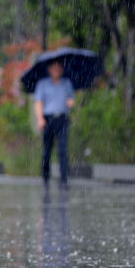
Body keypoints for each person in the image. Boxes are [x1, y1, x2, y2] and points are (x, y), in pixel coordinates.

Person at [34, 60, 75, 189]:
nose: (57, 70)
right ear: (50, 70)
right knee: (47, 150)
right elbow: (38, 102)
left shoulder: (66, 83)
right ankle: (45, 176)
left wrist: (70, 102)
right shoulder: (43, 84)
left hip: (62, 118)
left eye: (59, 68)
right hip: (48, 119)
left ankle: (64, 179)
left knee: (62, 149)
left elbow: (71, 99)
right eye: (54, 68)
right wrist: (40, 118)